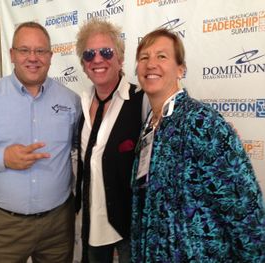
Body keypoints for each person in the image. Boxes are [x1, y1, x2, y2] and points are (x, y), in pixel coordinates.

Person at [0, 21, 81, 263]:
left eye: (40, 51)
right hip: (3, 225)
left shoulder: (70, 100)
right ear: (12, 55)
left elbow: (79, 145)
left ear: (50, 56)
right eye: (24, 50)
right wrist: (2, 157)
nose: (33, 58)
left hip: (58, 224)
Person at [131, 28, 265, 262]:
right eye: (144, 57)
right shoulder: (149, 126)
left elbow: (244, 208)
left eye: (162, 56)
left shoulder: (202, 122)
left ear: (180, 69)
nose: (151, 63)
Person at [74, 19, 145, 263]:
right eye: (88, 54)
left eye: (106, 52)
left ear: (120, 58)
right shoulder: (81, 105)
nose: (97, 59)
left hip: (128, 226)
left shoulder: (141, 101)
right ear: (83, 65)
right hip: (92, 223)